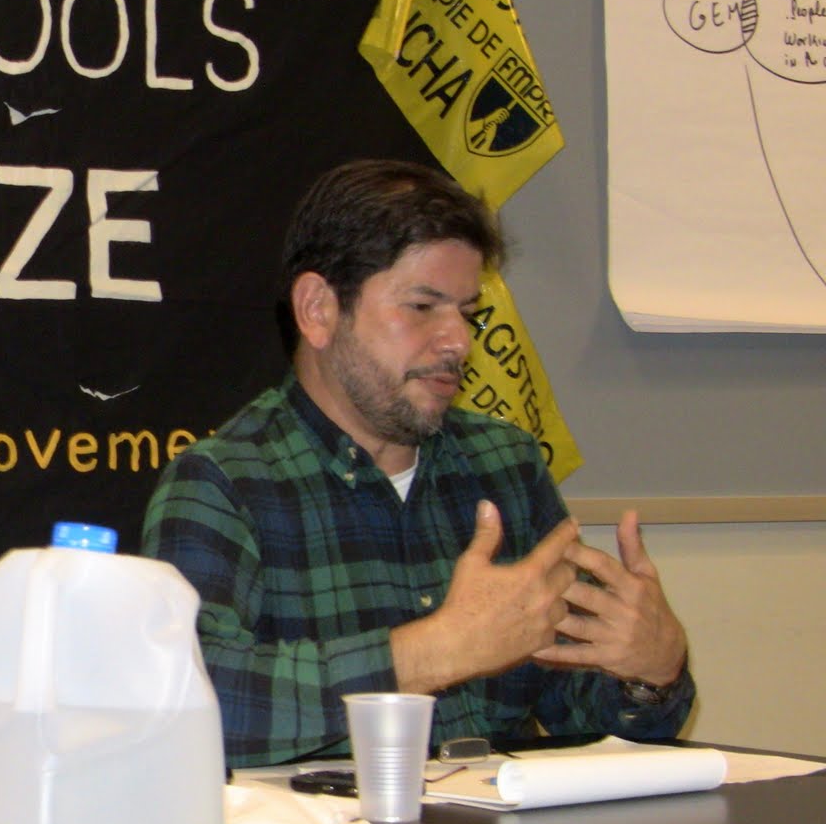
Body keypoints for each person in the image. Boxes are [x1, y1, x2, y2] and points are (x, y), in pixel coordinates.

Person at [141, 160, 693, 767]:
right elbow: (184, 701)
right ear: (318, 309)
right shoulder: (223, 483)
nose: (459, 342)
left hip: (500, 822)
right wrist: (434, 651)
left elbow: (587, 712)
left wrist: (651, 670)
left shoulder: (505, 465)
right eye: (423, 306)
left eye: (468, 312)